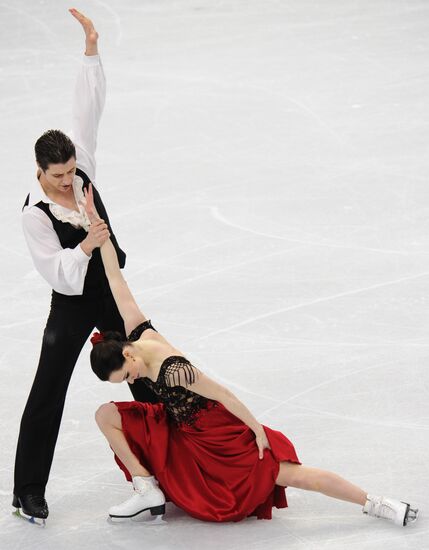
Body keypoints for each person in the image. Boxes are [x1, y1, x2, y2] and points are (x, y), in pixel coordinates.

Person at [82, 184, 418, 526]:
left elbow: (224, 394)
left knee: (291, 475)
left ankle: (377, 502)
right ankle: (145, 486)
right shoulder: (135, 328)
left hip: (218, 435)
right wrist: (96, 224)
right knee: (105, 414)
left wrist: (256, 430)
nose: (132, 381)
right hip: (179, 427)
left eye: (126, 374)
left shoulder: (175, 370)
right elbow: (114, 276)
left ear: (128, 353)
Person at [13, 9, 157, 525]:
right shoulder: (35, 213)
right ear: (39, 170)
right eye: (58, 174)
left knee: (148, 376)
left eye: (72, 169)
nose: (67, 179)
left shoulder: (82, 171)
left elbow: (87, 109)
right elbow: (54, 272)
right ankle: (27, 489)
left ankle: (164, 474)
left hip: (113, 293)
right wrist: (87, 245)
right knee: (48, 390)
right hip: (72, 302)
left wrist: (91, 48)